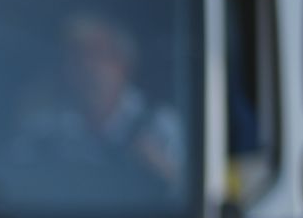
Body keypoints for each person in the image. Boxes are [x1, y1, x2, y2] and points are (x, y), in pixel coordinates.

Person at [15, 10, 183, 189]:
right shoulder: (42, 129)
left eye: (99, 54)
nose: (88, 66)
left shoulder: (162, 125)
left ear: (124, 64)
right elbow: (15, 184)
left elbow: (190, 191)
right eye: (77, 56)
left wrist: (158, 166)